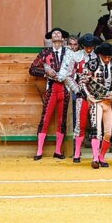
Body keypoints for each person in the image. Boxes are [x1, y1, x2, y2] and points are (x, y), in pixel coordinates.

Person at [31, 27, 75, 160]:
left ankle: (58, 151)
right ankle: (39, 151)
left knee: (62, 120)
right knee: (45, 118)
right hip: (51, 88)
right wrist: (45, 73)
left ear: (62, 38)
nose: (56, 34)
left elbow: (74, 70)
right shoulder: (45, 52)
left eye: (59, 33)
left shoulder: (69, 53)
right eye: (54, 33)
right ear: (51, 38)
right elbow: (32, 69)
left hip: (65, 89)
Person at [82, 41, 112, 168]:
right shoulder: (92, 64)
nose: (107, 59)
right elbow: (82, 82)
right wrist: (88, 96)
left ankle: (102, 156)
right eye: (104, 56)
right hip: (96, 101)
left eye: (109, 56)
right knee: (97, 129)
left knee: (109, 132)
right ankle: (95, 158)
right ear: (100, 55)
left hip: (109, 102)